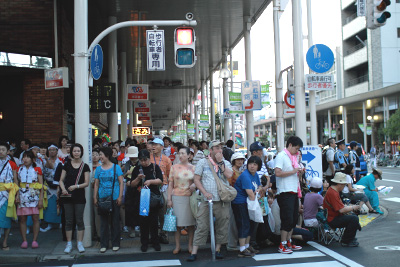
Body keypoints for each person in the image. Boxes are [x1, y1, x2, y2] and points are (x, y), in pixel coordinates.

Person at [187, 140, 233, 262]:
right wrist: (204, 192)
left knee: (222, 224)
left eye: (220, 148)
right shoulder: (203, 162)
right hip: (206, 200)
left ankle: (218, 249)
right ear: (211, 150)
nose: (219, 150)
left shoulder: (226, 162)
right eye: (216, 148)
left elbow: (229, 175)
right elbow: (196, 179)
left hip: (222, 199)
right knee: (202, 224)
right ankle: (194, 251)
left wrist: (220, 162)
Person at [274, 136, 305, 254]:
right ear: (290, 145)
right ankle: (282, 244)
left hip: (294, 191)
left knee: (293, 219)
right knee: (286, 219)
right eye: (296, 148)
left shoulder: (294, 157)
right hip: (284, 191)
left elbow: (296, 174)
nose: (297, 151)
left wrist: (299, 172)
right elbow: (277, 173)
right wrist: (293, 171)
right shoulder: (281, 156)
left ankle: (288, 242)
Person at [59, 143, 90, 253]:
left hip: (79, 196)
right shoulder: (66, 164)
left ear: (81, 152)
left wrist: (76, 186)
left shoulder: (85, 166)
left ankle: (79, 243)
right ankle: (69, 243)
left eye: (78, 151)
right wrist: (63, 189)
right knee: (68, 221)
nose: (76, 153)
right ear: (71, 152)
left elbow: (86, 183)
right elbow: (61, 180)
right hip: (67, 196)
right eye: (74, 151)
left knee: (79, 220)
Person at [130, 149, 163, 252]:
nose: (143, 162)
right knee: (143, 222)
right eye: (141, 160)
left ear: (149, 158)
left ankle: (155, 241)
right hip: (141, 199)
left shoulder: (154, 167)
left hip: (153, 198)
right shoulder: (136, 169)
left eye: (145, 160)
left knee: (154, 221)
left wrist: (150, 181)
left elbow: (160, 180)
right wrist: (138, 179)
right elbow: (132, 184)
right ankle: (144, 243)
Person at [93, 147, 124, 253]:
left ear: (107, 155)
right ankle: (104, 244)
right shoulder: (98, 169)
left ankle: (115, 243)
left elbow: (121, 183)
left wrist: (120, 196)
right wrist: (95, 197)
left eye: (101, 154)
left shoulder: (116, 167)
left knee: (115, 221)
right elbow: (96, 184)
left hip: (114, 198)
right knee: (103, 223)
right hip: (102, 198)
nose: (99, 157)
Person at [167, 147, 196, 255]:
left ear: (189, 155)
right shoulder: (174, 167)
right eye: (179, 153)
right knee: (178, 224)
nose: (181, 155)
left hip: (190, 197)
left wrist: (194, 184)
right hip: (177, 197)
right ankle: (177, 246)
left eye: (183, 153)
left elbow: (197, 181)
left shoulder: (193, 168)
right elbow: (170, 184)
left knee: (190, 224)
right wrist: (169, 199)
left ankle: (190, 245)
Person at [232, 156, 262, 257]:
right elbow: (250, 193)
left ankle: (247, 246)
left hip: (248, 202)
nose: (252, 166)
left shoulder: (255, 175)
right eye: (250, 164)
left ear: (258, 166)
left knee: (249, 224)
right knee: (244, 224)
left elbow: (259, 186)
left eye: (255, 164)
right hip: (240, 202)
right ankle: (242, 248)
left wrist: (259, 189)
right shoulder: (245, 175)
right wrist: (256, 199)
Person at [16, 150, 45, 249]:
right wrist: (17, 196)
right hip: (22, 195)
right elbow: (17, 184)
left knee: (35, 218)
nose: (25, 159)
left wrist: (41, 199)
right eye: (24, 157)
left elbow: (41, 185)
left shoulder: (37, 169)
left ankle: (34, 240)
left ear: (33, 159)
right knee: (22, 218)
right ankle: (24, 240)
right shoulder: (19, 169)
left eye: (28, 157)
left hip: (34, 195)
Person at [323, 172, 361, 247]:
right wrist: (353, 207)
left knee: (353, 217)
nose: (344, 186)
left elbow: (340, 207)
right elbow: (341, 210)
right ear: (339, 184)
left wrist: (350, 207)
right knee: (353, 219)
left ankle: (349, 238)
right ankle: (347, 240)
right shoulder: (333, 193)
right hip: (333, 219)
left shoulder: (332, 190)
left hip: (332, 216)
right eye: (344, 185)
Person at [149, 138, 172, 245]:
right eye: (152, 144)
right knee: (151, 213)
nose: (153, 146)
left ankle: (164, 234)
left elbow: (169, 175)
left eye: (156, 144)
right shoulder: (148, 158)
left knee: (163, 213)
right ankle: (152, 235)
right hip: (150, 189)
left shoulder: (167, 160)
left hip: (163, 188)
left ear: (162, 147)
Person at [0, 142, 19, 251]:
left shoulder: (12, 164)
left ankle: (5, 241)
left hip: (7, 195)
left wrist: (17, 194)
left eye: (3, 149)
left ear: (7, 151)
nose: (0, 151)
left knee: (6, 219)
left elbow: (15, 179)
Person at [41, 144, 62, 232]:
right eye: (50, 150)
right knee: (48, 205)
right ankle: (49, 224)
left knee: (59, 204)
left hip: (58, 185)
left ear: (57, 151)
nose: (52, 151)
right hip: (48, 185)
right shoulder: (43, 161)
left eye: (54, 150)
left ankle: (60, 223)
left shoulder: (61, 161)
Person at [227, 152, 245, 251]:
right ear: (233, 160)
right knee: (232, 222)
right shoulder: (231, 171)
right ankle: (231, 244)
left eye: (241, 159)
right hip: (232, 199)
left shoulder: (240, 171)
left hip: (239, 199)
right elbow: (229, 186)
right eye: (238, 159)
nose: (240, 161)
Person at [123, 146, 140, 238]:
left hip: (139, 188)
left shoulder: (141, 163)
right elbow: (123, 176)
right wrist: (127, 173)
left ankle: (141, 228)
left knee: (140, 209)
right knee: (130, 209)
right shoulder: (127, 164)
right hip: (129, 188)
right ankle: (132, 229)